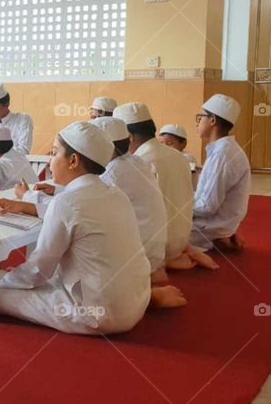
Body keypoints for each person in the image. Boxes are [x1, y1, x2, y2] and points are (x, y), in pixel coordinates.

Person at [0, 122, 170, 335]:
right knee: (18, 278)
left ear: (73, 160)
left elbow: (38, 271)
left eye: (54, 153)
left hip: (96, 313)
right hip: (137, 300)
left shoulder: (66, 202)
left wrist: (4, 280)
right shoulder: (115, 193)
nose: (50, 160)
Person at [90, 117, 184, 305]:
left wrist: (29, 202)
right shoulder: (133, 162)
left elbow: (85, 207)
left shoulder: (113, 173)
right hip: (154, 249)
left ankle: (144, 295)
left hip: (138, 255)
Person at [114, 102, 216, 271]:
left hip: (157, 248)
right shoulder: (179, 157)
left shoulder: (139, 163)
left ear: (129, 137)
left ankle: (161, 265)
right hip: (181, 241)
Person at [191, 94, 251, 252]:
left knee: (155, 230)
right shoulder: (223, 150)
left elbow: (207, 206)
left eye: (200, 117)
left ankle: (213, 241)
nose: (197, 123)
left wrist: (177, 205)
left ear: (212, 120)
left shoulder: (222, 154)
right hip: (219, 224)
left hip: (209, 227)